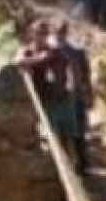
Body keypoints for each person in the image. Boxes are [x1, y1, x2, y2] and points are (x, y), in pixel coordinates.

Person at [17, 20, 80, 164]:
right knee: (50, 135)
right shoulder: (28, 51)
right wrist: (37, 59)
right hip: (41, 99)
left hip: (59, 97)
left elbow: (69, 66)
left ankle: (72, 167)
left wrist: (72, 86)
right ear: (33, 34)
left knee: (67, 135)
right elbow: (19, 62)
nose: (42, 36)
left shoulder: (54, 51)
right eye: (39, 33)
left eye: (45, 33)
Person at [55, 20, 93, 172]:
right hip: (68, 95)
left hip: (73, 95)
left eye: (61, 31)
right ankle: (78, 164)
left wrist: (88, 94)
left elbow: (86, 77)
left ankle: (80, 164)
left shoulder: (76, 53)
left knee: (77, 131)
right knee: (73, 131)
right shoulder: (72, 52)